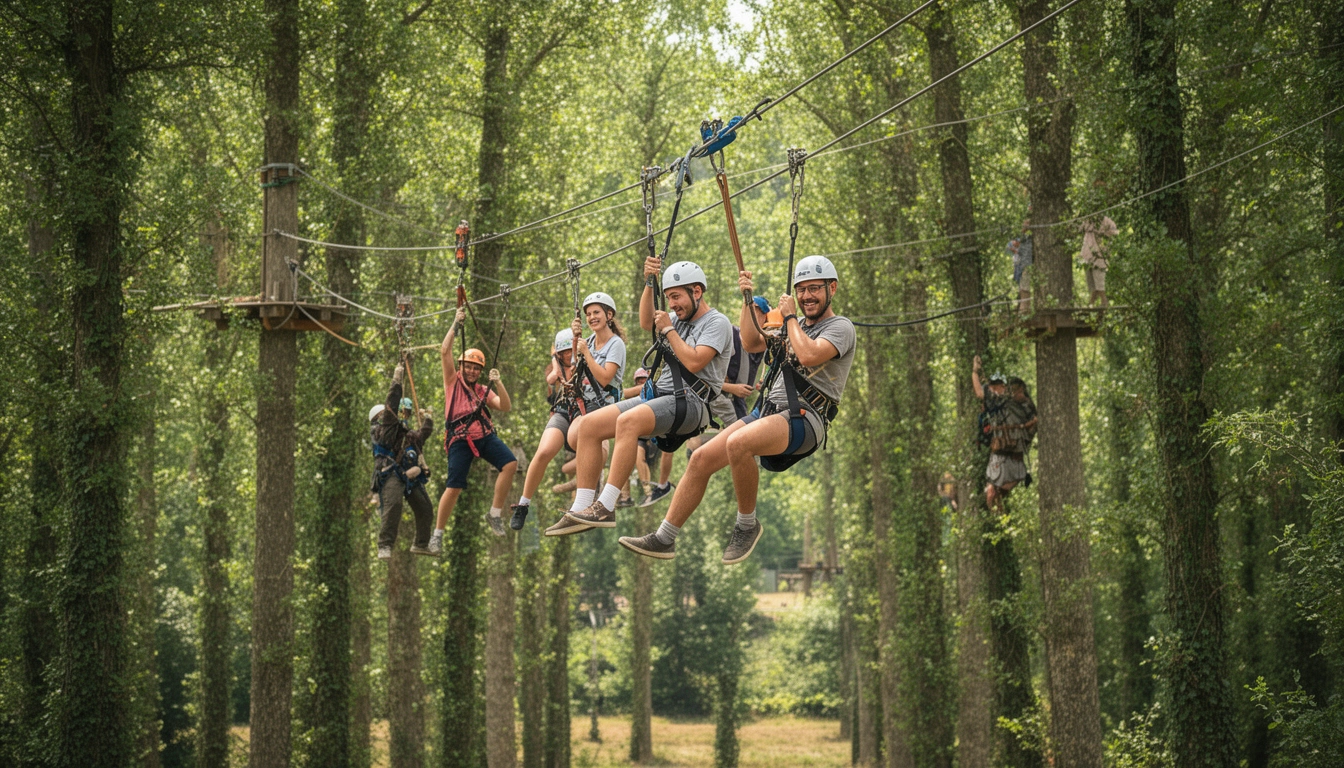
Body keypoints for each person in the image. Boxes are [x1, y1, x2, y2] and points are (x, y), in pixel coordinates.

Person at [619, 256, 856, 564]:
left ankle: (746, 525)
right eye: (802, 290)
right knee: (701, 458)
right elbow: (751, 341)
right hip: (769, 412)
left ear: (831, 289)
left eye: (814, 289)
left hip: (805, 417)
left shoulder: (840, 327)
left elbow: (809, 356)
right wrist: (747, 300)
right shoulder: (790, 327)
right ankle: (665, 538)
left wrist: (790, 318)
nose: (807, 296)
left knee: (737, 443)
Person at [548, 257, 733, 536]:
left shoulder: (717, 323)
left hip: (691, 403)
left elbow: (695, 362)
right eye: (668, 298)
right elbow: (647, 321)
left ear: (697, 291)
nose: (672, 305)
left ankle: (606, 505)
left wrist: (669, 330)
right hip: (659, 397)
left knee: (628, 422)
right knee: (589, 425)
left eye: (676, 297)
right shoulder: (677, 318)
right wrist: (649, 282)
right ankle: (581, 508)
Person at [511, 293, 627, 530]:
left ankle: (589, 494)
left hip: (598, 405)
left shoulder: (615, 344)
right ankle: (523, 504)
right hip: (571, 405)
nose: (591, 317)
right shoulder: (588, 342)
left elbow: (604, 378)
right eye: (588, 314)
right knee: (544, 451)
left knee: (579, 438)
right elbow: (572, 366)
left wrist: (584, 351)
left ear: (609, 315)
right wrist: (576, 341)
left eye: (596, 312)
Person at [644, 320, 765, 505]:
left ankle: (668, 479)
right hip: (710, 398)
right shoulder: (726, 334)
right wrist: (732, 388)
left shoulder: (758, 345)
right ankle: (659, 485)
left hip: (708, 405)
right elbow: (705, 377)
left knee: (703, 445)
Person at [429, 308, 518, 551]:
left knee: (510, 464)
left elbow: (505, 406)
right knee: (454, 486)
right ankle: (437, 534)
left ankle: (495, 513)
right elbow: (444, 350)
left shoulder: (482, 391)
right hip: (460, 438)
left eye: (475, 368)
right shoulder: (452, 382)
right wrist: (455, 325)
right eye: (468, 366)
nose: (471, 371)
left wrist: (498, 382)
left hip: (484, 435)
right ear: (461, 366)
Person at [370, 363, 437, 560]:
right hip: (391, 473)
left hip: (409, 476)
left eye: (406, 413)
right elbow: (391, 403)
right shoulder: (385, 430)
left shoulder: (407, 435)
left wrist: (428, 420)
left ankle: (421, 543)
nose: (404, 416)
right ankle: (385, 544)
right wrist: (396, 380)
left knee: (425, 508)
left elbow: (421, 436)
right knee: (394, 505)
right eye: (402, 412)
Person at [971, 356, 1037, 513]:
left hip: (1015, 447)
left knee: (1017, 475)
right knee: (995, 479)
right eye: (993, 386)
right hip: (1001, 446)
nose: (995, 389)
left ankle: (997, 498)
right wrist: (975, 370)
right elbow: (980, 392)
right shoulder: (994, 398)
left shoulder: (1020, 401)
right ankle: (993, 498)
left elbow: (1033, 419)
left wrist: (1028, 427)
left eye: (998, 386)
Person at [617, 367, 660, 508]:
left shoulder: (653, 392)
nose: (642, 383)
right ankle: (624, 496)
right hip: (638, 436)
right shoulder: (633, 398)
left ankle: (648, 491)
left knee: (637, 455)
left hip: (652, 436)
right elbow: (622, 394)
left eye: (644, 380)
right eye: (639, 381)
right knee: (621, 457)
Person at [1078, 215, 1117, 307]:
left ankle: (1104, 303)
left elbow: (1114, 232)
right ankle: (1091, 305)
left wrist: (1102, 234)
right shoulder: (1088, 220)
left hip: (1099, 256)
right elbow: (1080, 230)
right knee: (1092, 285)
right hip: (1088, 255)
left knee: (1100, 283)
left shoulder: (1107, 221)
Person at [1006, 219, 1033, 315]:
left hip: (1026, 265)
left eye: (1025, 225)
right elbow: (1010, 247)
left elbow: (1025, 251)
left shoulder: (1029, 239)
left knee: (1024, 289)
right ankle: (1023, 311)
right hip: (1021, 266)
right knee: (1022, 289)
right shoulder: (1024, 239)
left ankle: (1024, 312)